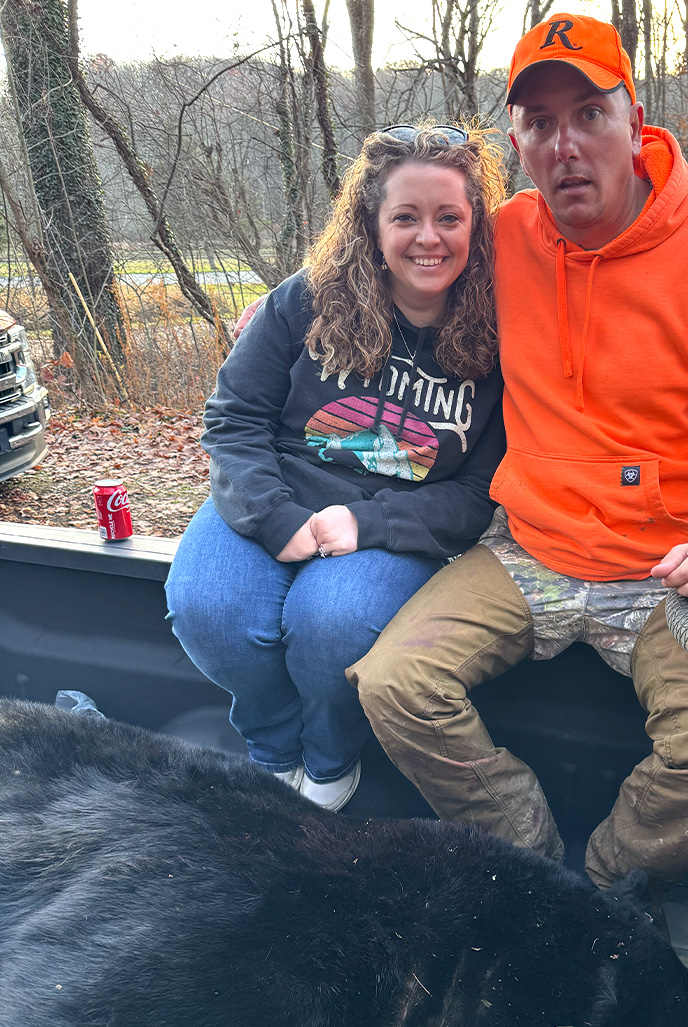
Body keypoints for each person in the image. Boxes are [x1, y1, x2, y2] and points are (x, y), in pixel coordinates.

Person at [348, 15, 688, 892]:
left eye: (588, 115)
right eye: (539, 122)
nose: (565, 144)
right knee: (393, 685)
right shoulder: (503, 239)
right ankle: (529, 872)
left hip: (666, 569)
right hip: (527, 548)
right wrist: (284, 323)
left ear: (634, 123)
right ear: (519, 143)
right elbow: (388, 269)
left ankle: (605, 891)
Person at [165, 125, 507, 810]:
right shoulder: (308, 299)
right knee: (208, 606)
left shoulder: (503, 332)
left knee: (334, 625)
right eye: (405, 217)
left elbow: (479, 491)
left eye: (449, 218)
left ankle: (327, 764)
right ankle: (274, 751)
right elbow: (234, 418)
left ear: (477, 225)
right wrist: (270, 515)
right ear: (371, 226)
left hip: (395, 518)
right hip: (277, 488)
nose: (428, 238)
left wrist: (367, 522)